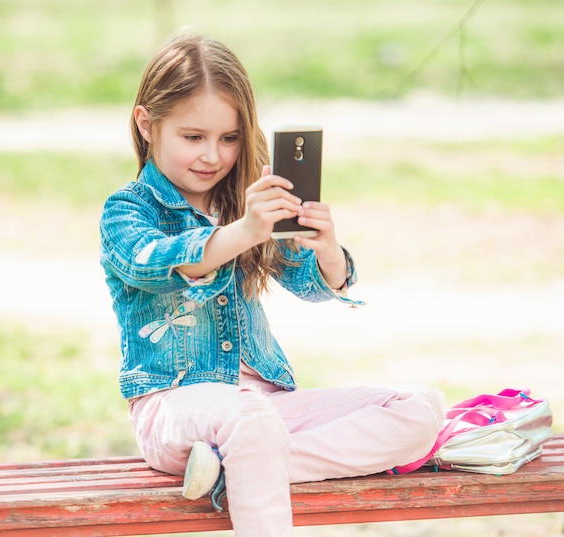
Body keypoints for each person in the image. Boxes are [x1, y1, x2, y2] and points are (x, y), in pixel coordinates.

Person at [99, 33, 444, 537]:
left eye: (229, 138)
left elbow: (309, 285)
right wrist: (243, 232)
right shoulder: (128, 210)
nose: (212, 156)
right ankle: (246, 459)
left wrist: (326, 249)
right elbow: (157, 264)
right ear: (147, 124)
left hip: (262, 407)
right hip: (174, 406)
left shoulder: (242, 202)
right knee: (252, 421)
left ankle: (230, 470)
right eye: (193, 137)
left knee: (419, 410)